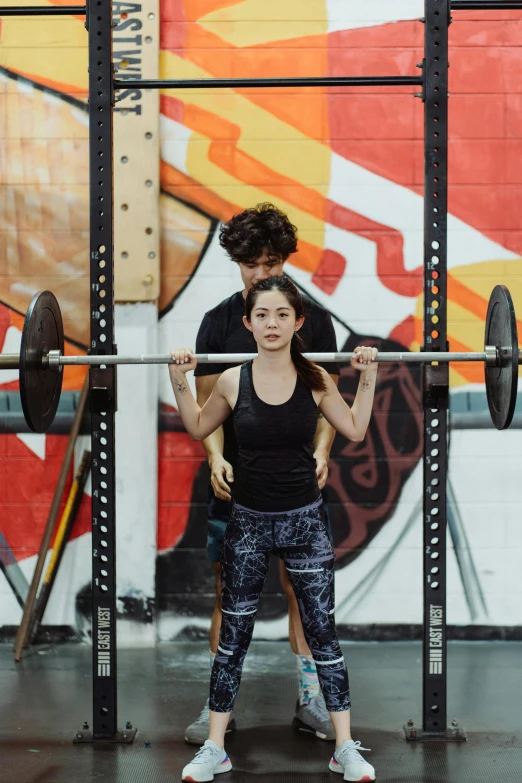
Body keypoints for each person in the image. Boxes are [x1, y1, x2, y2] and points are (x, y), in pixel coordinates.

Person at [169, 275, 379, 783]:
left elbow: (353, 428)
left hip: (306, 522)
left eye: (283, 315)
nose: (272, 323)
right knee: (234, 637)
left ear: (298, 323)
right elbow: (199, 427)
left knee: (323, 634)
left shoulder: (316, 381)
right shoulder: (232, 380)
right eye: (262, 315)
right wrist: (180, 377)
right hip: (247, 524)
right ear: (248, 323)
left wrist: (367, 375)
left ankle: (345, 746)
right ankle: (215, 748)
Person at [186, 203, 342, 744]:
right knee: (229, 591)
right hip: (237, 479)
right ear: (237, 262)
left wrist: (323, 451)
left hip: (299, 482)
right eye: (251, 263)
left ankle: (312, 701)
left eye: (272, 262)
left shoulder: (311, 318)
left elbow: (329, 399)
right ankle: (215, 710)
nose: (262, 274)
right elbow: (206, 404)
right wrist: (214, 456)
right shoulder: (219, 321)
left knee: (305, 593)